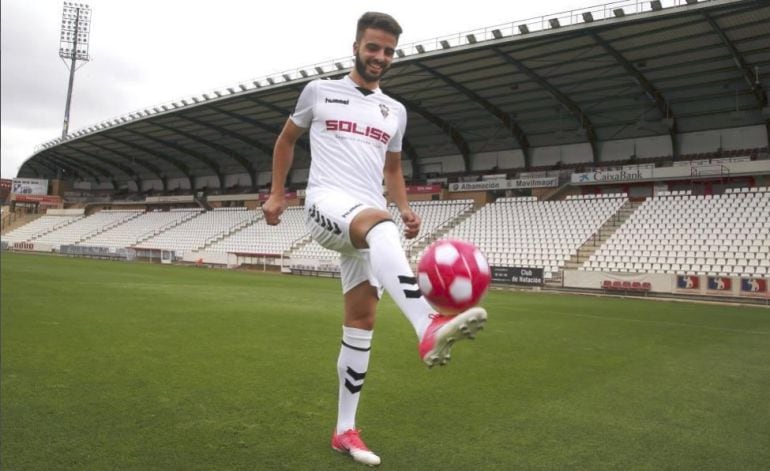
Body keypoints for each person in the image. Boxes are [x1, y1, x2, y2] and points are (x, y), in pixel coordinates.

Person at [262, 12, 487, 467]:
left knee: (361, 323)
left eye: (388, 51)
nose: (380, 57)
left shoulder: (394, 111)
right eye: (373, 48)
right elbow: (286, 140)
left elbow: (392, 170)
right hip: (327, 205)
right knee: (380, 226)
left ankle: (345, 430)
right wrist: (275, 193)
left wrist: (404, 208)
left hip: (371, 217)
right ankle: (427, 324)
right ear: (356, 46)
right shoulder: (319, 92)